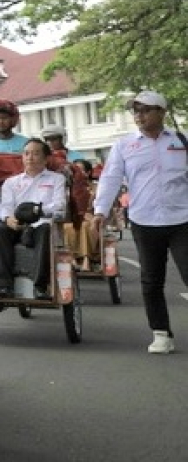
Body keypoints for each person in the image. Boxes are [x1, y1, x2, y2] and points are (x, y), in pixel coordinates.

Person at [92, 91, 188, 354]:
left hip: (182, 218)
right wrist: (101, 210)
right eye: (135, 111)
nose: (139, 115)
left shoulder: (181, 141)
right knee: (151, 279)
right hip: (144, 220)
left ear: (162, 112)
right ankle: (161, 333)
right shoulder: (124, 145)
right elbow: (111, 177)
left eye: (146, 110)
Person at [0, 138, 67, 299]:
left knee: (45, 230)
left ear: (45, 159)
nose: (30, 157)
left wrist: (37, 211)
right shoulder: (11, 182)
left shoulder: (56, 179)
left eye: (36, 153)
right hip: (17, 224)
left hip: (42, 223)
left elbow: (60, 205)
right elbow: (6, 206)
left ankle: (40, 286)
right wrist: (8, 219)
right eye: (26, 154)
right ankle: (4, 286)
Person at [65, 158, 99, 272]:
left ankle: (86, 260)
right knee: (67, 227)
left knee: (84, 226)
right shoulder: (67, 187)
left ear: (88, 173)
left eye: (80, 170)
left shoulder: (95, 188)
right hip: (72, 218)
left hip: (91, 218)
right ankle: (72, 259)